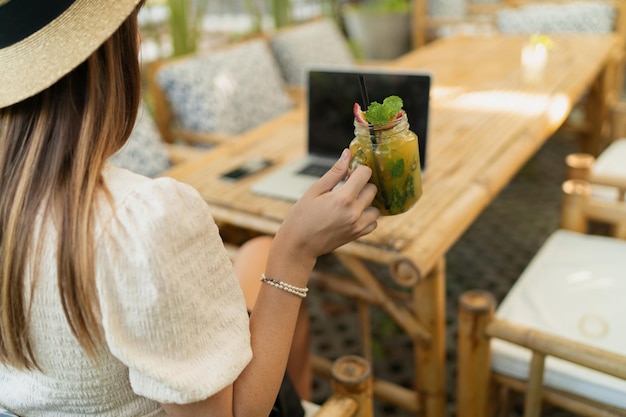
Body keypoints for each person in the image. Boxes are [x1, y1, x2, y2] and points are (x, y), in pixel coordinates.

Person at [0, 1, 380, 416]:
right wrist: (297, 249)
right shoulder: (142, 218)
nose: (139, 39)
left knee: (255, 252)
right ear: (109, 59)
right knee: (269, 256)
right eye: (132, 27)